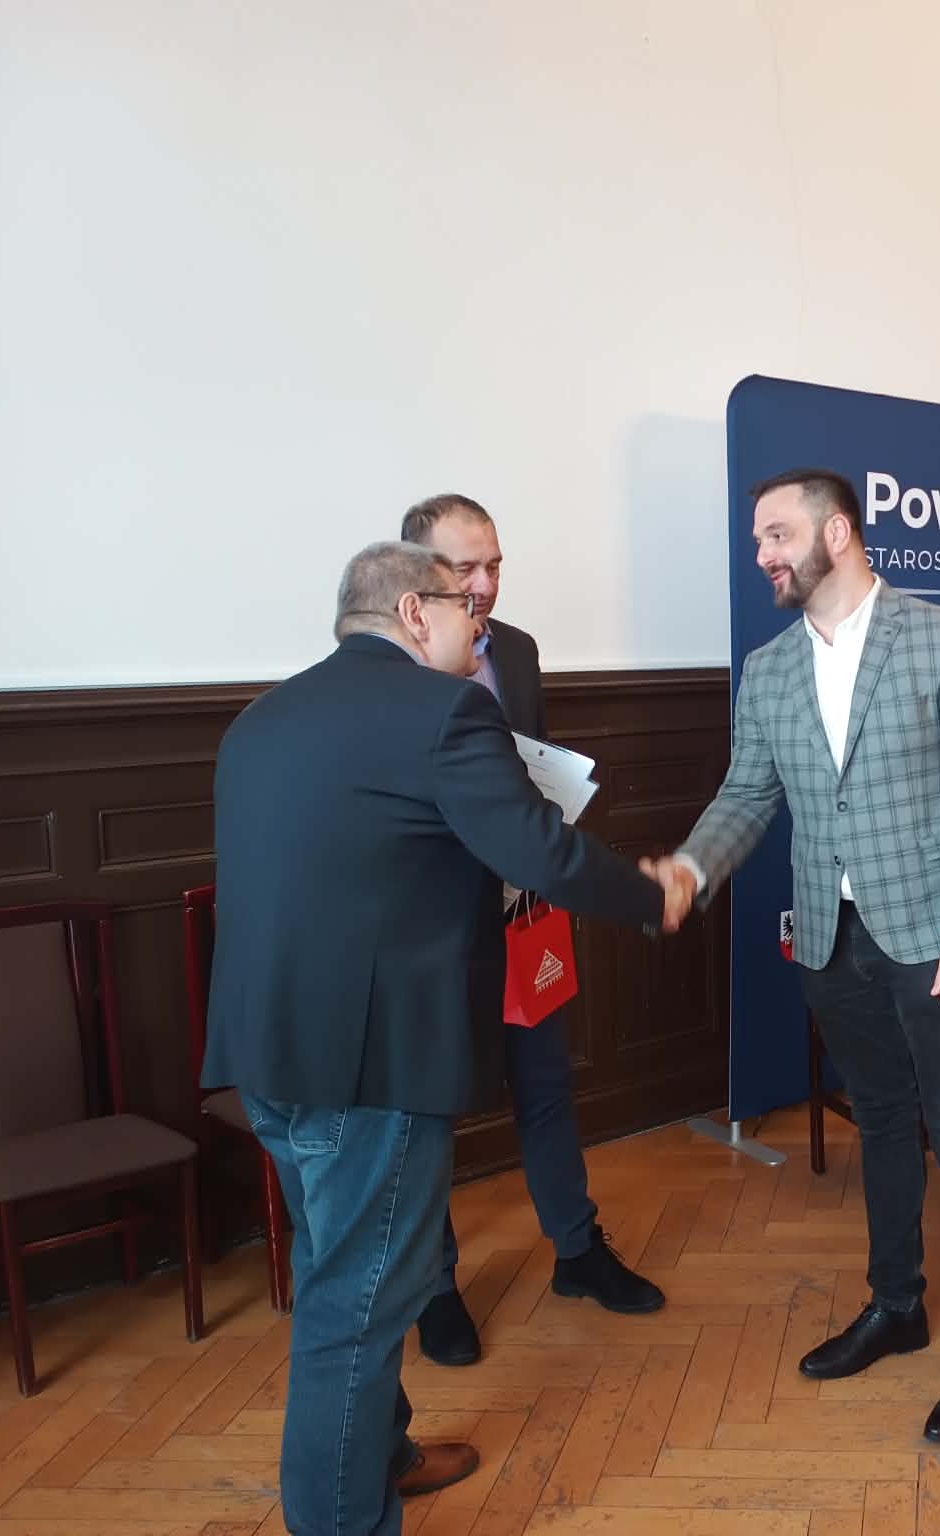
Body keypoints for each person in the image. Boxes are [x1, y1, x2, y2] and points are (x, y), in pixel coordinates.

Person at [204, 540, 683, 1536]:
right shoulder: (444, 712)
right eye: (467, 606)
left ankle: (383, 1456)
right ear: (415, 613)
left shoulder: (260, 719)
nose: (480, 626)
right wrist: (651, 893)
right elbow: (539, 852)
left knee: (340, 1274)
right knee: (352, 1313)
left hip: (265, 1056)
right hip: (368, 1067)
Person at [655, 468, 940, 1444]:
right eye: (757, 540)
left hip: (937, 938)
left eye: (776, 534)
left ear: (838, 533)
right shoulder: (769, 667)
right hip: (830, 937)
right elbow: (747, 794)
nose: (762, 555)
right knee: (882, 1124)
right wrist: (691, 868)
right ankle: (897, 1305)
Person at [401, 494, 666, 1371]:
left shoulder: (514, 650)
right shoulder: (390, 661)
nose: (484, 585)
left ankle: (578, 1252)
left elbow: (528, 767)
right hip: (431, 926)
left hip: (525, 906)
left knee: (546, 1082)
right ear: (416, 580)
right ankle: (433, 1286)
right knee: (429, 1106)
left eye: (495, 565)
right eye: (465, 568)